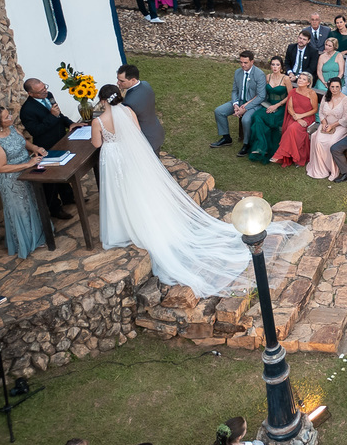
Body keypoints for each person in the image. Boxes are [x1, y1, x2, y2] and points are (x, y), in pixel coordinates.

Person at [94, 84, 304, 295]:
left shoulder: (98, 121)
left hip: (112, 158)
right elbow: (136, 133)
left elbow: (96, 143)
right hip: (129, 154)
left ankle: (125, 225)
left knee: (119, 192)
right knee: (137, 188)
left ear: (103, 101)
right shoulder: (129, 111)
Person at [0, 104, 46, 259]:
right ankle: (26, 242)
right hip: (10, 178)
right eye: (6, 117)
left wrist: (35, 148)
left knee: (33, 202)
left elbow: (22, 141)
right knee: (20, 208)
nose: (10, 117)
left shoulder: (11, 128)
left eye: (8, 114)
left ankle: (40, 233)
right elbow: (0, 168)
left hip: (26, 172)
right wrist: (28, 164)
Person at [19, 77, 81, 219]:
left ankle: (68, 197)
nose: (45, 92)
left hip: (61, 139)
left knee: (64, 170)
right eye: (41, 92)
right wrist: (52, 117)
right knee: (51, 180)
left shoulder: (50, 95)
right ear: (31, 94)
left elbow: (59, 115)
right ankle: (55, 208)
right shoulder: (27, 111)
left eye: (45, 88)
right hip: (47, 145)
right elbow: (36, 130)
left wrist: (70, 123)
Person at [211, 51, 266, 154]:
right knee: (219, 111)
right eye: (241, 62)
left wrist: (245, 108)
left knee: (245, 120)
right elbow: (234, 91)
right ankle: (226, 138)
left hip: (254, 104)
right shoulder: (237, 72)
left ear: (252, 62)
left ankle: (246, 144)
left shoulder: (260, 74)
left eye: (245, 62)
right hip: (239, 101)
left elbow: (261, 96)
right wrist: (235, 104)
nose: (242, 65)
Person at [247, 57, 291, 164]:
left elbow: (290, 96)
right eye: (273, 64)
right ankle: (260, 146)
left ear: (281, 67)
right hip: (268, 105)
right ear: (270, 66)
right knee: (256, 116)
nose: (275, 67)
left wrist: (277, 105)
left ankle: (264, 147)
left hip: (280, 107)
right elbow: (261, 94)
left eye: (277, 65)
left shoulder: (285, 79)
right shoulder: (268, 77)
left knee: (271, 121)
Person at [306, 78, 347, 180]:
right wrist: (324, 123)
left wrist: (332, 126)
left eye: (337, 87)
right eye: (332, 87)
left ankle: (332, 168)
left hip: (340, 126)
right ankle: (321, 168)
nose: (335, 89)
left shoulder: (345, 100)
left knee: (331, 142)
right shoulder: (325, 97)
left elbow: (346, 118)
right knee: (318, 140)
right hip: (326, 124)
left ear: (341, 87)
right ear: (329, 87)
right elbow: (321, 112)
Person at [269, 72, 316, 167]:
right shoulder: (293, 92)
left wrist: (301, 116)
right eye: (300, 78)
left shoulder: (312, 93)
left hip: (307, 117)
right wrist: (297, 117)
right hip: (294, 116)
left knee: (292, 128)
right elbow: (290, 108)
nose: (300, 80)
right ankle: (295, 157)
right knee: (291, 127)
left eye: (304, 79)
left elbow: (315, 109)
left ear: (308, 83)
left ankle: (279, 154)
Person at [116, 65, 165, 153]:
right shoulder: (146, 85)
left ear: (133, 80)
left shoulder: (129, 103)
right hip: (155, 131)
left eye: (121, 81)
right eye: (118, 79)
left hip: (146, 139)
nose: (118, 83)